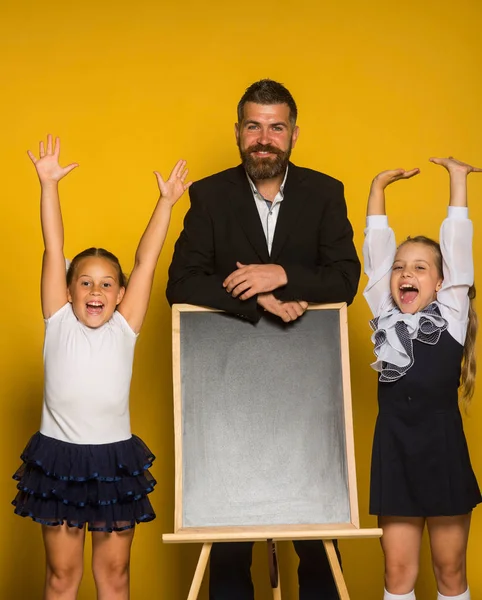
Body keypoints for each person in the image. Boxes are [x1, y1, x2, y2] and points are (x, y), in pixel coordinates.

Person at [167, 79, 360, 600]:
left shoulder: (326, 192)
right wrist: (257, 299)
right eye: (254, 126)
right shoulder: (209, 195)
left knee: (318, 541)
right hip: (230, 394)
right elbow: (180, 283)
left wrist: (281, 275)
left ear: (294, 134)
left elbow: (345, 278)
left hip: (305, 394)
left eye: (276, 127)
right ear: (237, 133)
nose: (264, 138)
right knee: (230, 542)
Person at [12, 134, 191, 600]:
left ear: (120, 294)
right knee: (61, 577)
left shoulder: (124, 327)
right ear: (68, 290)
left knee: (114, 578)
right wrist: (48, 184)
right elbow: (54, 247)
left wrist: (166, 203)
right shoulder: (58, 320)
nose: (96, 291)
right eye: (85, 282)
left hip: (114, 461)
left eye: (107, 284)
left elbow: (145, 259)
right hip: (60, 459)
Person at [363, 157, 482, 600]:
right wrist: (378, 188)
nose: (405, 274)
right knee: (397, 571)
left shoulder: (450, 316)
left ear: (440, 283)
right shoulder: (384, 316)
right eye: (400, 268)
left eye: (419, 268)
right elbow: (374, 255)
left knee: (449, 569)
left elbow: (458, 251)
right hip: (393, 450)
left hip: (442, 449)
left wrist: (456, 182)